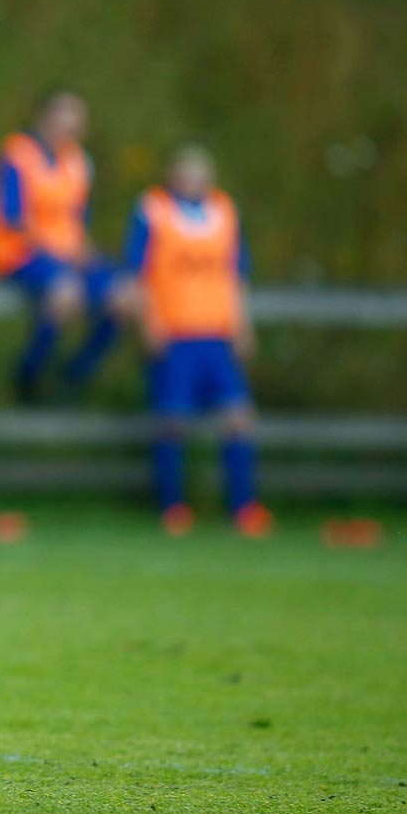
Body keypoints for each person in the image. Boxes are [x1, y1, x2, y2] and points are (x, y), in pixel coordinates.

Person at [121, 145, 271, 538]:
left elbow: (235, 275)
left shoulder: (224, 212)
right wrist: (149, 322)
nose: (193, 180)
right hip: (175, 333)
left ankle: (244, 508)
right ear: (172, 175)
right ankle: (173, 508)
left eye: (200, 173)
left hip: (217, 334)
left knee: (238, 419)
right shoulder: (153, 210)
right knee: (172, 422)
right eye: (185, 172)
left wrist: (242, 326)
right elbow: (139, 272)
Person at [0, 89, 124, 402]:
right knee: (66, 294)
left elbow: (76, 222)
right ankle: (27, 377)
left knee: (127, 298)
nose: (67, 127)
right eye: (61, 117)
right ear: (44, 117)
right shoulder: (16, 155)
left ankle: (74, 374)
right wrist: (65, 251)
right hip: (19, 253)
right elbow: (13, 219)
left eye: (75, 121)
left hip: (66, 256)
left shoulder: (79, 162)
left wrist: (85, 252)